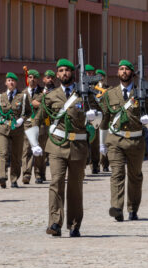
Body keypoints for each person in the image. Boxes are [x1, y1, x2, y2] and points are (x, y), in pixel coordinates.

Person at [28, 59, 98, 237]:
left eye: (67, 70)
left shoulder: (85, 94)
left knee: (75, 187)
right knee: (56, 183)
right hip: (57, 145)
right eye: (61, 70)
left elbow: (100, 120)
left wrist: (94, 116)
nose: (64, 73)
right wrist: (34, 143)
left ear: (72, 73)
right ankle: (55, 223)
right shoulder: (51, 96)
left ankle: (74, 225)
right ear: (57, 75)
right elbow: (37, 119)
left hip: (78, 146)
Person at [99, 59, 148, 221]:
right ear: (117, 73)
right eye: (121, 69)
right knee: (117, 173)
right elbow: (104, 119)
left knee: (135, 176)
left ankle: (133, 208)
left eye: (127, 69)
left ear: (132, 73)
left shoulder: (142, 93)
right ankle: (117, 207)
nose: (123, 71)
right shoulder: (109, 94)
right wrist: (102, 142)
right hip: (115, 139)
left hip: (136, 141)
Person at [0, 72, 24, 189]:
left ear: (16, 83)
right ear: (5, 83)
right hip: (3, 128)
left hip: (17, 130)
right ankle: (2, 176)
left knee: (16, 156)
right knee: (3, 153)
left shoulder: (22, 96)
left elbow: (28, 112)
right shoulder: (0, 97)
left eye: (13, 81)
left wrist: (22, 120)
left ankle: (14, 179)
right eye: (9, 80)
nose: (11, 82)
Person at [19, 69, 46, 184]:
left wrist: (40, 105)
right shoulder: (23, 93)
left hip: (39, 125)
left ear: (37, 79)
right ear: (27, 79)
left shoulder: (43, 93)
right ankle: (26, 174)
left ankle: (39, 174)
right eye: (30, 77)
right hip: (27, 125)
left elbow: (48, 107)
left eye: (34, 77)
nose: (32, 79)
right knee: (26, 150)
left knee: (39, 150)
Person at [90, 68, 110, 174]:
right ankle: (95, 165)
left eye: (101, 76)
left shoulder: (108, 89)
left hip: (105, 118)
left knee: (104, 142)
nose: (100, 78)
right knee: (94, 143)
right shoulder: (92, 88)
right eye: (98, 76)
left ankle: (105, 164)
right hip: (94, 118)